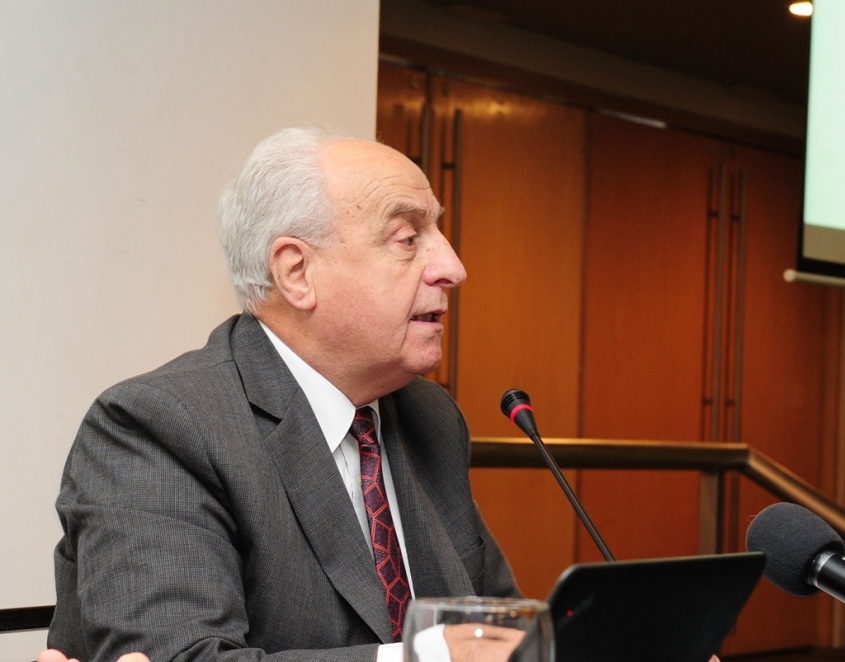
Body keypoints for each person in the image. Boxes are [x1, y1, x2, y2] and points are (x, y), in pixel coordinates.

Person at [41, 127, 520, 661]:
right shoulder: (159, 426)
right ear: (297, 273)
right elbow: (182, 657)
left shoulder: (429, 416)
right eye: (408, 239)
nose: (453, 267)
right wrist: (426, 658)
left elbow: (498, 630)